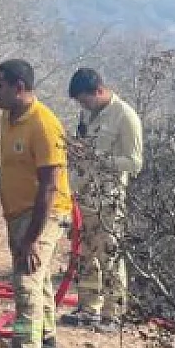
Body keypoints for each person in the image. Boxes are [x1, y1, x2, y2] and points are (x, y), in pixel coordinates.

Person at [0, 59, 72, 348]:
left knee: (26, 282)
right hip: (17, 213)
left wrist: (31, 239)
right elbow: (12, 167)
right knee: (39, 283)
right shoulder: (7, 118)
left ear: (18, 86)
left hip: (43, 214)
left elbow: (49, 186)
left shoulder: (44, 125)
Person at [61, 67, 143, 331]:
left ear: (98, 91)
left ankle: (113, 315)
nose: (83, 106)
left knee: (109, 256)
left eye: (85, 99)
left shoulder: (125, 117)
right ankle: (88, 310)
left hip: (108, 201)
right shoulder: (88, 113)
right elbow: (85, 147)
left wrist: (100, 160)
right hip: (82, 197)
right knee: (84, 256)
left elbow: (134, 163)